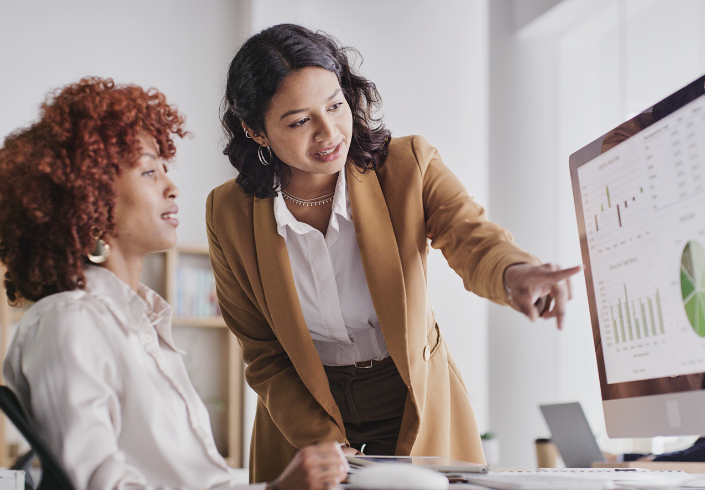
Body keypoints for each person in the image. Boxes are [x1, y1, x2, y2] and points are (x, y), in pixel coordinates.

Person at [207, 23, 581, 483]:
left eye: (335, 105)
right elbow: (263, 352)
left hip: (411, 399)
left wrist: (514, 271)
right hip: (303, 410)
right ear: (256, 131)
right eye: (300, 121)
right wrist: (318, 438)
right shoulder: (229, 212)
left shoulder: (408, 165)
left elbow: (471, 236)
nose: (329, 133)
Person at [0, 77, 347, 490]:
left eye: (165, 170)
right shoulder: (69, 322)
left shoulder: (138, 320)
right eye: (149, 172)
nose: (172, 188)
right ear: (88, 199)